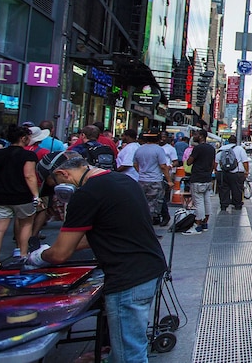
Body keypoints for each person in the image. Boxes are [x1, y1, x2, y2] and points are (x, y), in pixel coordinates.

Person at [31, 151, 167, 363]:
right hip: (149, 269)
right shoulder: (123, 180)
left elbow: (60, 254)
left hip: (128, 279)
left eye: (52, 183)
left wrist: (38, 257)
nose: (55, 192)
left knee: (130, 355)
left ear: (62, 174)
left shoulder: (86, 194)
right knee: (127, 346)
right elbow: (108, 231)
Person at [0, 125, 36, 270]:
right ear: (23, 138)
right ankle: (23, 255)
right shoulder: (28, 155)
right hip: (22, 195)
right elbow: (29, 175)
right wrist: (36, 194)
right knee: (26, 224)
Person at [133, 131, 172, 223]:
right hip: (155, 180)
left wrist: (141, 172)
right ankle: (149, 228)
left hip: (142, 179)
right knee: (153, 206)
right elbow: (163, 166)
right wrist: (169, 180)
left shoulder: (139, 149)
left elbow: (135, 164)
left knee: (143, 204)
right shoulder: (158, 149)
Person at [184, 130, 216, 234]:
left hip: (197, 178)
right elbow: (213, 163)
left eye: (196, 135)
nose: (194, 136)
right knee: (207, 201)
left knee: (198, 202)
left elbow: (189, 162)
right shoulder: (211, 148)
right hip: (207, 178)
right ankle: (205, 223)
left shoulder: (197, 148)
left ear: (201, 136)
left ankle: (197, 225)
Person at [215, 135, 249, 213]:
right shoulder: (240, 149)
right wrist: (246, 171)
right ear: (236, 141)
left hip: (222, 173)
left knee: (223, 189)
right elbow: (245, 162)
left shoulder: (221, 149)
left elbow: (216, 162)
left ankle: (223, 206)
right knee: (237, 189)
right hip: (236, 173)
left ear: (228, 141)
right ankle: (237, 205)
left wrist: (216, 171)